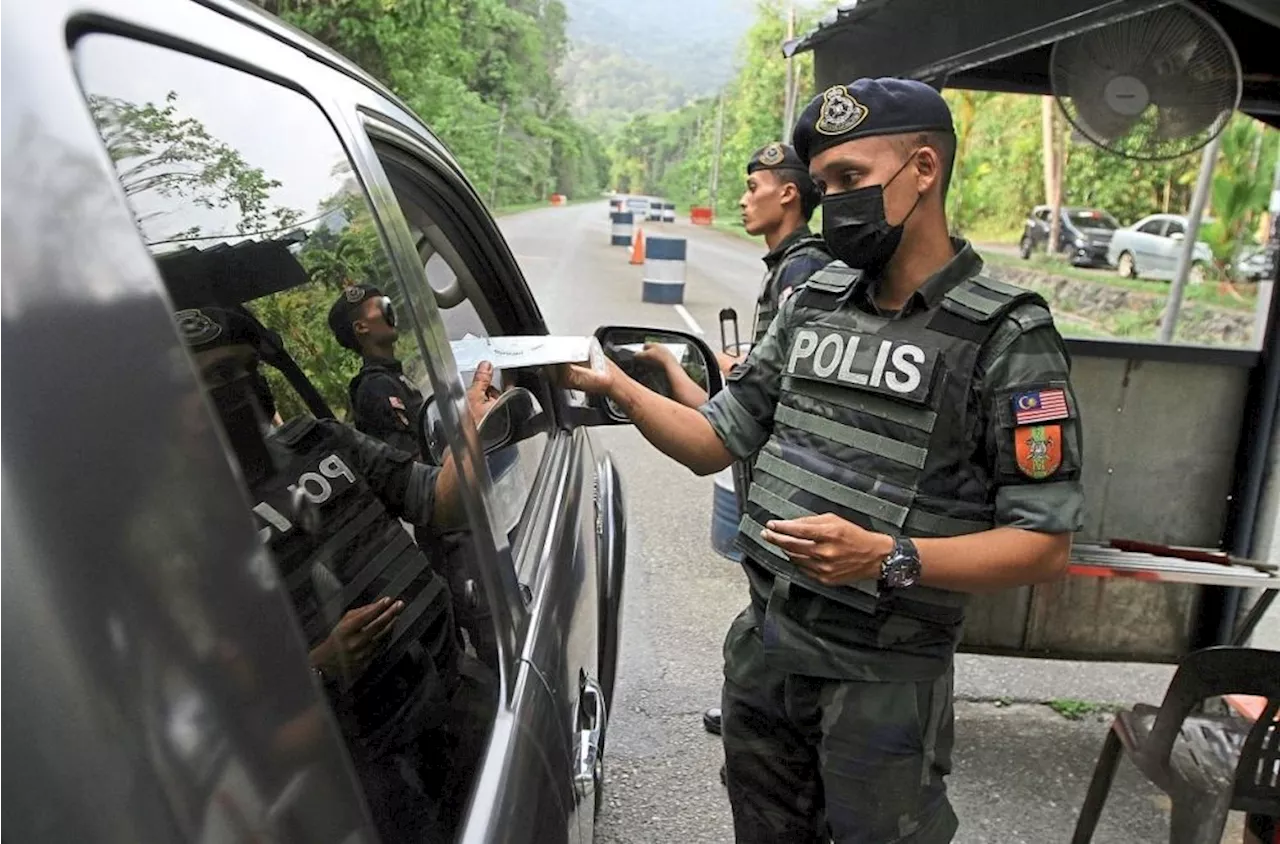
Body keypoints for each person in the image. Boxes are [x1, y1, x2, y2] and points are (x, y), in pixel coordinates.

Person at [564, 77, 1084, 843]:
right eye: (823, 184)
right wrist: (614, 387)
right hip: (765, 657)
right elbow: (716, 438)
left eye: (851, 180)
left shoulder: (1005, 336)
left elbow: (1044, 544)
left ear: (923, 169)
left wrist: (891, 557)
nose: (833, 202)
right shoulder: (813, 304)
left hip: (883, 685)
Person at [176, 304, 497, 844]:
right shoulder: (184, 539)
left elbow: (440, 505)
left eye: (240, 370)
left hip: (461, 698)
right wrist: (322, 669)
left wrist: (472, 428)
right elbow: (234, 739)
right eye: (208, 380)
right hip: (374, 775)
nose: (234, 389)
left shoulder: (319, 442)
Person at [637, 143, 832, 744]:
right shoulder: (786, 266)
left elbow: (776, 397)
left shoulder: (803, 270)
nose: (744, 199)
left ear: (788, 194)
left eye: (753, 186)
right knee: (766, 595)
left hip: (783, 471)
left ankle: (767, 718)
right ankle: (758, 705)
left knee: (782, 597)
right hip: (762, 464)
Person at [329, 283, 432, 456]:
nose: (390, 313)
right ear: (361, 327)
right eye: (383, 308)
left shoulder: (390, 377)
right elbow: (410, 461)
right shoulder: (375, 387)